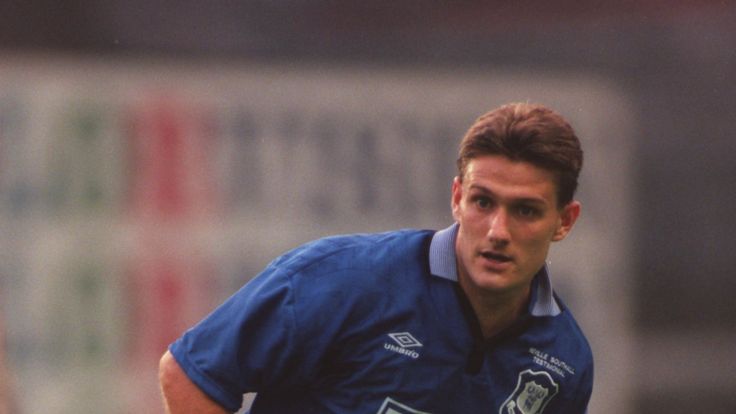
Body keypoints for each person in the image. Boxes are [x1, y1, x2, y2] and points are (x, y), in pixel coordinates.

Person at [159, 102, 593, 414]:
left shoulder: (565, 361)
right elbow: (190, 374)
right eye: (483, 202)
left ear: (564, 221)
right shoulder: (343, 280)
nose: (498, 231)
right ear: (458, 198)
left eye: (525, 211)